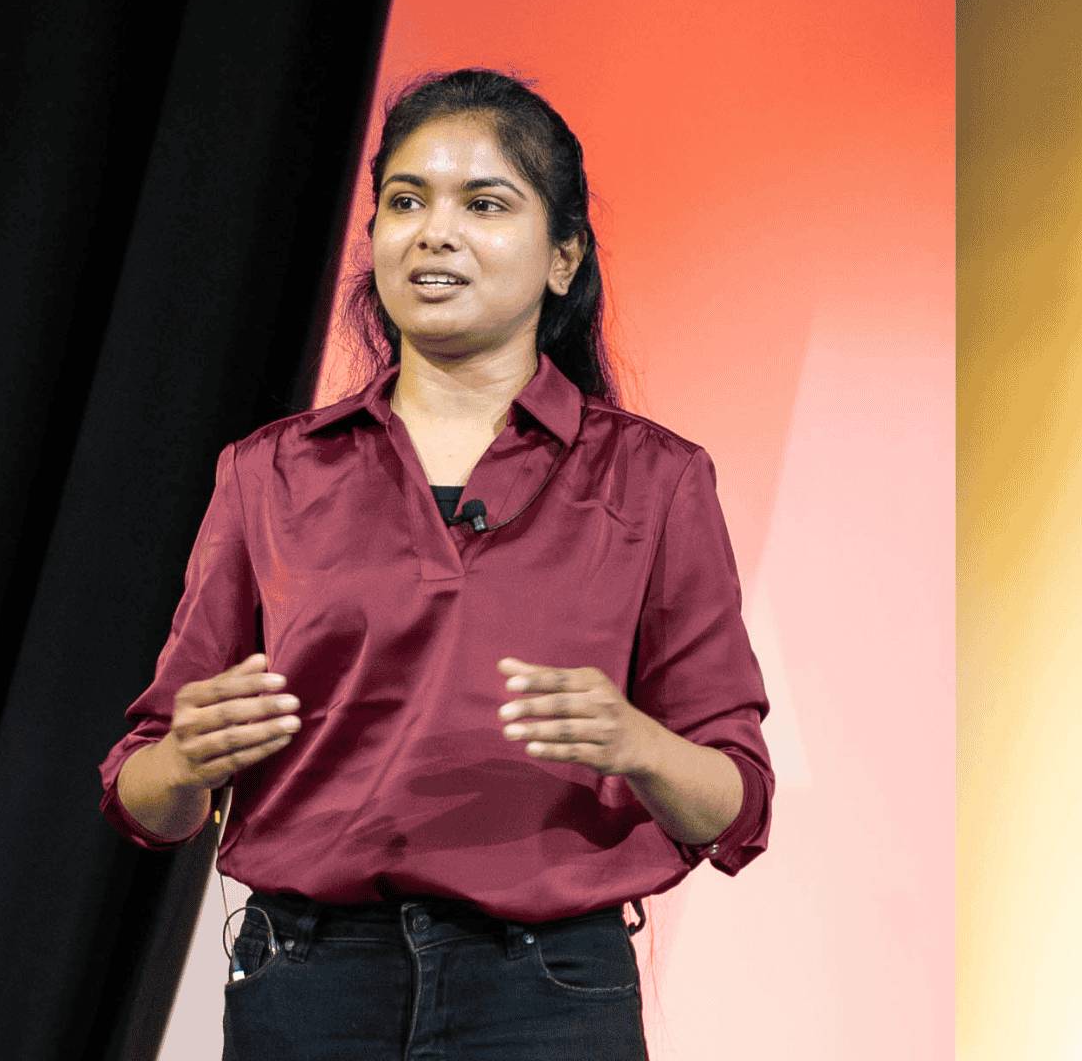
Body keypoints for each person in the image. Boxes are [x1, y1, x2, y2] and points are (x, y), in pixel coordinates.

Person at [94, 67, 774, 1060]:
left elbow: (737, 808)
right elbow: (141, 796)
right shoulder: (269, 473)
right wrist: (185, 762)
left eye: (484, 204)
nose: (433, 231)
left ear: (563, 255)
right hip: (308, 987)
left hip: (547, 994)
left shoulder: (655, 481)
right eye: (404, 202)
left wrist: (635, 742)